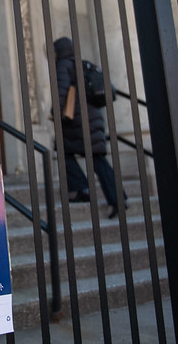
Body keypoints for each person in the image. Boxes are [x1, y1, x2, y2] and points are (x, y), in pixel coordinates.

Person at [53, 36, 126, 219]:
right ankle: (118, 199)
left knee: (62, 153)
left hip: (76, 122)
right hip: (93, 120)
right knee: (98, 161)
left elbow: (61, 92)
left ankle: (82, 188)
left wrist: (54, 112)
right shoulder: (83, 65)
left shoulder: (63, 65)